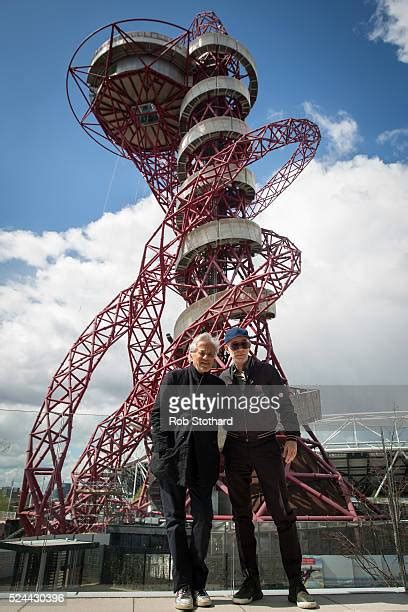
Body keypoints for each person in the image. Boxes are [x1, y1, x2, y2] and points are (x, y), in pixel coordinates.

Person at [220, 327, 317, 609]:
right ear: (226, 348)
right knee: (241, 517)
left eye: (244, 343)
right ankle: (251, 582)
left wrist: (292, 437)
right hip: (236, 449)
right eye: (234, 344)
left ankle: (296, 585)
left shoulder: (266, 372)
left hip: (265, 446)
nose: (240, 348)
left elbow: (285, 405)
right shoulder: (221, 380)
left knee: (282, 514)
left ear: (250, 346)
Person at [150, 332, 225, 610]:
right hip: (172, 460)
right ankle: (183, 586)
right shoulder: (175, 378)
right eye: (201, 352)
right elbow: (158, 415)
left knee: (204, 519)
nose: (205, 357)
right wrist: (162, 450)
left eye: (210, 353)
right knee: (174, 521)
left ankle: (199, 584)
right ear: (191, 353)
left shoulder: (218, 385)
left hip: (203, 462)